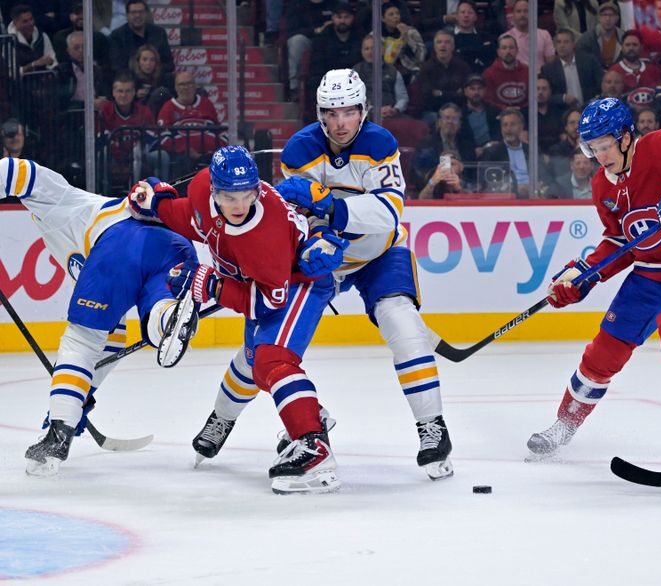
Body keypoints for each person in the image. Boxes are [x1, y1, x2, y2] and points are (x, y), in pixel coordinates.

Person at [526, 97, 661, 479]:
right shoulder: (602, 185)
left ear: (626, 137)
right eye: (592, 148)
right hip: (651, 274)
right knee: (604, 350)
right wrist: (585, 275)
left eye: (604, 145)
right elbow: (621, 242)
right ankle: (565, 424)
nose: (599, 156)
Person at [127, 145, 350, 494]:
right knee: (251, 360)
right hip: (258, 282)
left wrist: (212, 286)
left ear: (257, 189)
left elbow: (270, 302)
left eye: (247, 195)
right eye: (230, 197)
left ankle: (313, 446)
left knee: (272, 359)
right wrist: (157, 204)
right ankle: (235, 418)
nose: (240, 205)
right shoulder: (201, 188)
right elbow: (194, 218)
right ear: (214, 190)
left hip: (298, 283)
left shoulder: (265, 236)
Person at [274, 68, 456, 480]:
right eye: (332, 113)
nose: (341, 122)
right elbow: (298, 218)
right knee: (272, 340)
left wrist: (328, 207)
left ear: (363, 111)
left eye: (349, 112)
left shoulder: (379, 143)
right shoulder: (299, 150)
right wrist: (313, 236)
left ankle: (432, 427)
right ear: (320, 113)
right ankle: (232, 418)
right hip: (324, 260)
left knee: (402, 324)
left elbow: (389, 211)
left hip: (380, 252)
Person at [1, 158, 200, 476]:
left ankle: (59, 432)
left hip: (120, 242)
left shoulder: (64, 202)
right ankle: (166, 318)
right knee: (131, 322)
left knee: (82, 339)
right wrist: (77, 397)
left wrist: (65, 414)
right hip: (178, 248)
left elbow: (17, 169)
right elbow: (109, 341)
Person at [109, 0, 174, 76]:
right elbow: (117, 67)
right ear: (127, 15)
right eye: (133, 12)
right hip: (130, 80)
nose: (137, 15)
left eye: (141, 12)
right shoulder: (117, 36)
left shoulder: (159, 33)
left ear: (146, 14)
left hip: (156, 79)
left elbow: (169, 64)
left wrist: (152, 71)